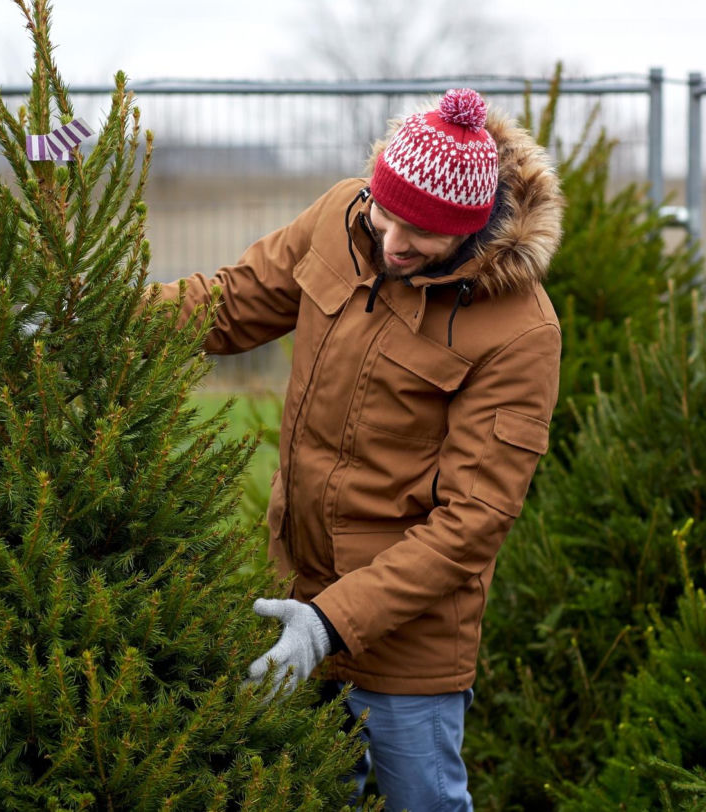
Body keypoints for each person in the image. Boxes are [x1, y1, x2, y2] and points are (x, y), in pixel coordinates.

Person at [149, 88, 563, 810]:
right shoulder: (342, 218)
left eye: (423, 234)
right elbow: (231, 301)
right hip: (296, 595)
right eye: (387, 212)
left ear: (472, 231)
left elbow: (474, 522)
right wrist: (89, 312)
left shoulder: (518, 331)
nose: (393, 241)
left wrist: (332, 623)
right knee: (308, 793)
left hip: (409, 643)